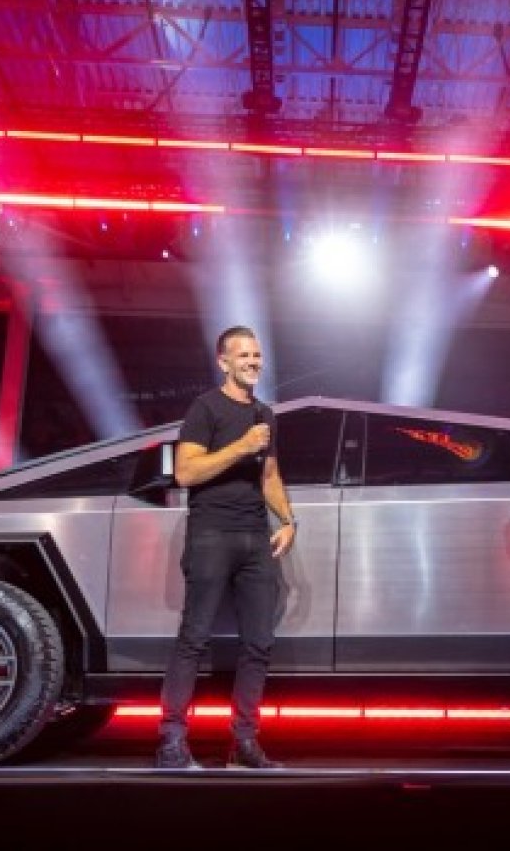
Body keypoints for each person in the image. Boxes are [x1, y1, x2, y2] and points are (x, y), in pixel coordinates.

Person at [155, 325, 297, 769]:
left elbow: (269, 475)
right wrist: (241, 446)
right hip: (212, 533)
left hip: (255, 536)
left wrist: (288, 520)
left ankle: (244, 742)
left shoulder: (264, 414)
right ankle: (171, 742)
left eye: (257, 355)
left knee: (259, 642)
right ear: (223, 362)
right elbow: (185, 473)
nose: (253, 362)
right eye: (244, 355)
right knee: (194, 638)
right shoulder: (205, 408)